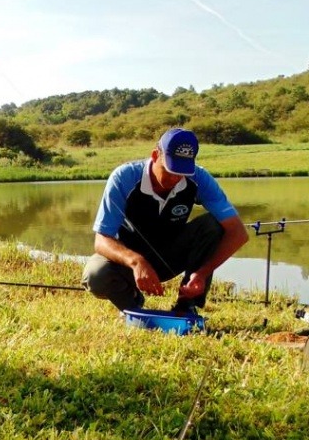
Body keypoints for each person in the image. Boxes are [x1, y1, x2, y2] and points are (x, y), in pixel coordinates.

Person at [82, 128, 249, 314]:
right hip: (129, 262)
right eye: (170, 170)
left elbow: (238, 233)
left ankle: (188, 305)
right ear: (155, 155)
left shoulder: (199, 179)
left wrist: (202, 273)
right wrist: (136, 261)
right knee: (95, 275)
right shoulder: (124, 178)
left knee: (213, 224)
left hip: (171, 256)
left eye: (182, 172)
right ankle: (132, 305)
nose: (175, 178)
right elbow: (102, 239)